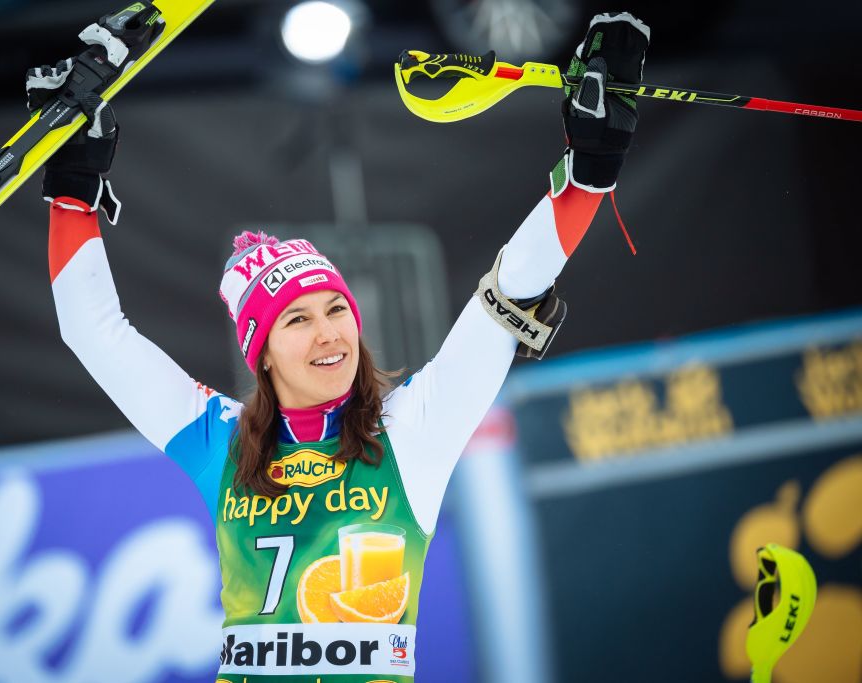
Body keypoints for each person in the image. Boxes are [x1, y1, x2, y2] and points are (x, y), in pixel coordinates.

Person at [35, 12, 649, 682]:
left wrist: (590, 171)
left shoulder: (412, 431)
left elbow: (504, 302)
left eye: (337, 309)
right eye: (296, 320)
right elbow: (92, 331)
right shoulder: (222, 442)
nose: (330, 332)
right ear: (260, 352)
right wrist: (72, 194)